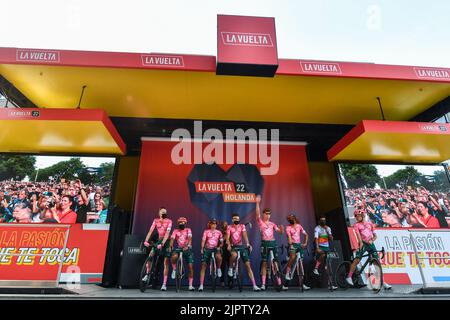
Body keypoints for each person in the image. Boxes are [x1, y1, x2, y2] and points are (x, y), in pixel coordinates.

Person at [346, 210, 391, 290]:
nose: (356, 217)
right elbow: (358, 235)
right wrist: (360, 243)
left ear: (362, 215)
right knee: (357, 260)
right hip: (363, 243)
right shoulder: (356, 225)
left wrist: (372, 240)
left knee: (377, 264)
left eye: (357, 215)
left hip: (371, 244)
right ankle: (349, 277)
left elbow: (375, 236)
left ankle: (383, 282)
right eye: (355, 216)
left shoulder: (370, 224)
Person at [255, 195, 284, 291]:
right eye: (266, 213)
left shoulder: (272, 224)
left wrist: (281, 230)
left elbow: (279, 232)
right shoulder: (260, 222)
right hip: (265, 244)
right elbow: (257, 215)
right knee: (264, 262)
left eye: (269, 214)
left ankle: (279, 282)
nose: (268, 215)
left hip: (273, 243)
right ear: (264, 214)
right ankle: (263, 284)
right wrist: (257, 203)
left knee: (275, 262)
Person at [226, 213, 260, 291]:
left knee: (248, 265)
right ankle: (230, 268)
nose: (236, 220)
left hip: (241, 247)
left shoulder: (242, 226)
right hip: (233, 247)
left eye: (237, 218)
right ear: (232, 220)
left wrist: (248, 244)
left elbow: (245, 235)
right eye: (235, 219)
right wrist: (228, 244)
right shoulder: (229, 227)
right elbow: (227, 237)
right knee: (234, 255)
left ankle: (254, 285)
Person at [143, 207, 173, 291]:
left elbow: (167, 233)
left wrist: (163, 243)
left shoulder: (169, 221)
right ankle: (147, 273)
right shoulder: (155, 220)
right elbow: (150, 231)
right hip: (159, 240)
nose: (164, 213)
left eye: (165, 212)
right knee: (151, 254)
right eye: (162, 212)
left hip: (166, 241)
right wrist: (146, 241)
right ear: (159, 213)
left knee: (165, 261)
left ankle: (164, 284)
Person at [284, 214, 312, 290]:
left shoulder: (299, 226)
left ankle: (302, 284)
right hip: (292, 245)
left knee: (300, 265)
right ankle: (287, 273)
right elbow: (289, 237)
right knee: (292, 257)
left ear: (295, 218)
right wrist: (290, 244)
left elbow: (306, 235)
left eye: (291, 218)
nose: (290, 219)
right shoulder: (288, 228)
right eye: (289, 219)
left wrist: (305, 243)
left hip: (299, 245)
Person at [169, 217, 195, 291]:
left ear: (185, 223)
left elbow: (190, 238)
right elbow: (172, 239)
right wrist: (170, 246)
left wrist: (188, 245)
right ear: (178, 224)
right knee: (174, 256)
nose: (182, 224)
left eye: (183, 223)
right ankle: (174, 269)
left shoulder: (188, 230)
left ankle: (190, 285)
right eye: (180, 223)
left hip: (187, 249)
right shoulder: (175, 230)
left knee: (190, 267)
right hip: (179, 249)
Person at [198, 218, 223, 292]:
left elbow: (221, 242)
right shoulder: (206, 231)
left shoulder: (219, 232)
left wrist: (219, 247)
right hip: (207, 249)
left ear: (216, 225)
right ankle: (201, 285)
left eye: (215, 224)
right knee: (203, 266)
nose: (213, 225)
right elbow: (203, 240)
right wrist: (202, 248)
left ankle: (218, 268)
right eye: (212, 224)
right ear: (210, 224)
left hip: (215, 249)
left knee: (219, 257)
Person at [219, 220, 229, 287]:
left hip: (228, 251)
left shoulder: (229, 231)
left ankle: (230, 281)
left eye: (226, 224)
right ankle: (222, 281)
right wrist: (225, 234)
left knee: (230, 266)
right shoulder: (219, 232)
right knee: (222, 266)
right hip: (222, 251)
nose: (225, 226)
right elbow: (219, 242)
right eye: (223, 224)